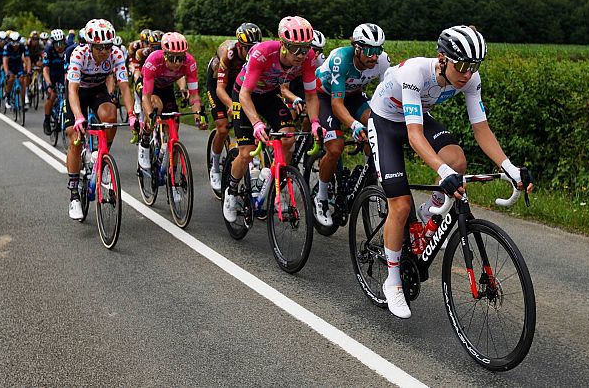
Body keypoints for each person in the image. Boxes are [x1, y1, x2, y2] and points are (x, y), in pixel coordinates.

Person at [367, 25, 534, 319]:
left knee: (457, 160)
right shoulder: (415, 73)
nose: (467, 74)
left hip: (417, 117)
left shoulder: (470, 79)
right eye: (462, 65)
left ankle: (428, 211)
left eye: (474, 66)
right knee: (400, 205)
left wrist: (510, 168)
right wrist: (442, 172)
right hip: (384, 121)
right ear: (442, 58)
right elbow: (415, 136)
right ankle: (392, 281)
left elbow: (481, 129)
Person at [222, 16, 321, 222]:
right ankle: (231, 191)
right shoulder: (263, 52)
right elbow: (244, 95)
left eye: (305, 48)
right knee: (247, 152)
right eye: (295, 48)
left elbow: (311, 95)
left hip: (269, 95)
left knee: (288, 139)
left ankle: (272, 180)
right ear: (283, 44)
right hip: (244, 94)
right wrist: (257, 123)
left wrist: (314, 123)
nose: (301, 55)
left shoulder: (308, 57)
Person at [308, 23, 390, 226]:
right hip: (325, 97)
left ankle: (368, 174)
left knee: (378, 126)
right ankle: (322, 197)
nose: (374, 56)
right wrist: (354, 126)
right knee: (335, 148)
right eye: (370, 51)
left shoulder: (382, 61)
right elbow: (336, 104)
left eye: (378, 50)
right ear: (357, 48)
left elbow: (385, 95)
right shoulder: (340, 59)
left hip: (354, 96)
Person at [65, 19, 135, 219]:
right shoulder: (79, 54)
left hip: (97, 90)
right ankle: (74, 196)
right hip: (77, 92)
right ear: (90, 45)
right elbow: (72, 90)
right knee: (74, 137)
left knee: (110, 116)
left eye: (108, 46)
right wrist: (78, 117)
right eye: (99, 48)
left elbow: (123, 86)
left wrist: (131, 115)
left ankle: (102, 158)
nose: (104, 51)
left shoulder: (116, 54)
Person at [136, 32, 205, 173]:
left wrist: (198, 116)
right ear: (165, 55)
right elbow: (146, 97)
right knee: (156, 107)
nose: (178, 63)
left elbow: (194, 95)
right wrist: (150, 115)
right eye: (173, 58)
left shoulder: (190, 62)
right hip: (148, 87)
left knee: (174, 126)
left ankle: (171, 171)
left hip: (166, 88)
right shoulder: (153, 60)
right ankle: (145, 139)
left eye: (181, 58)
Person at [205, 22, 262, 192]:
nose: (251, 52)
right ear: (239, 45)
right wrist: (231, 105)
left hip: (239, 83)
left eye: (255, 47)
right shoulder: (228, 54)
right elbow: (220, 89)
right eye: (247, 48)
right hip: (218, 82)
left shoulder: (256, 55)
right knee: (222, 128)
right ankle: (215, 166)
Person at [42, 28, 67, 135]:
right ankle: (46, 120)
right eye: (57, 44)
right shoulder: (48, 49)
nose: (59, 47)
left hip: (63, 73)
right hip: (51, 74)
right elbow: (45, 69)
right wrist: (49, 84)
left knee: (68, 94)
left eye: (61, 43)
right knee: (52, 95)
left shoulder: (68, 48)